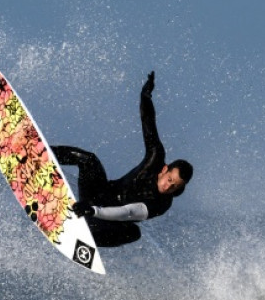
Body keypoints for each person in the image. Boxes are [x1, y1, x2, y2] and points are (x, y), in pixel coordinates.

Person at [52, 71, 193, 247]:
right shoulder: (155, 158)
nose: (168, 187)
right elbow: (148, 122)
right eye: (170, 180)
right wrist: (145, 95)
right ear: (164, 169)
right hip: (97, 196)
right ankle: (41, 151)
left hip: (103, 220)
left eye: (175, 187)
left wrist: (94, 211)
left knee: (133, 233)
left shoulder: (162, 204)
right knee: (89, 160)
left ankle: (86, 241)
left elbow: (128, 212)